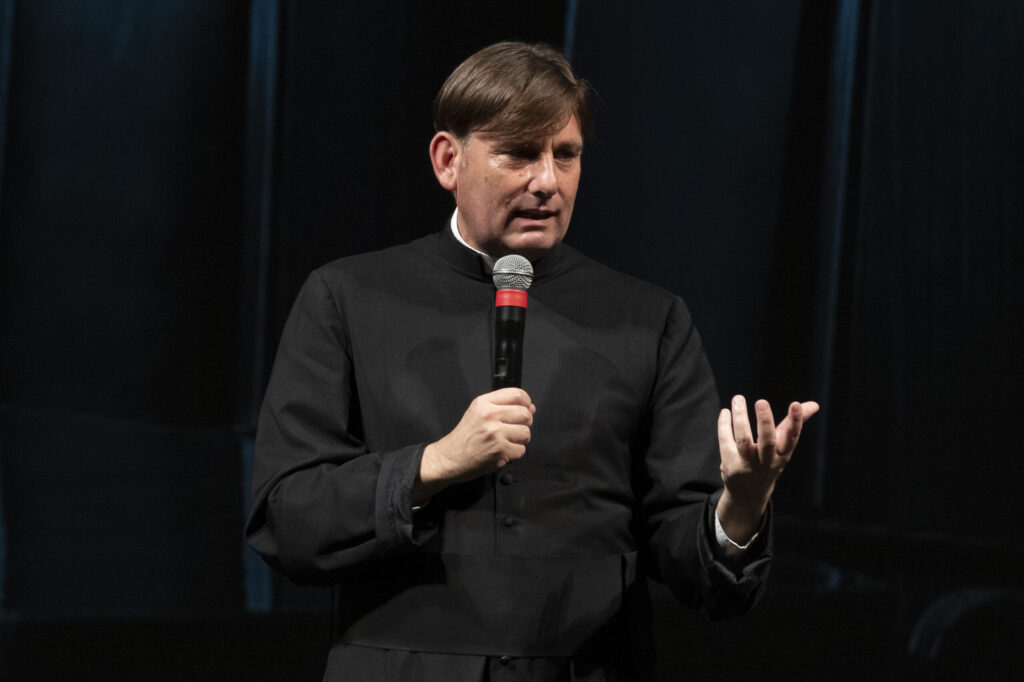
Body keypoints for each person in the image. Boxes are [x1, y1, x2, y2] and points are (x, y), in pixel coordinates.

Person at [245, 41, 818, 681]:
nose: (547, 181)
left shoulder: (648, 319)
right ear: (448, 160)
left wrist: (739, 507)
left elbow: (695, 569)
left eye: (565, 155)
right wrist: (432, 464)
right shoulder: (347, 298)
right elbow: (286, 519)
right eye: (519, 153)